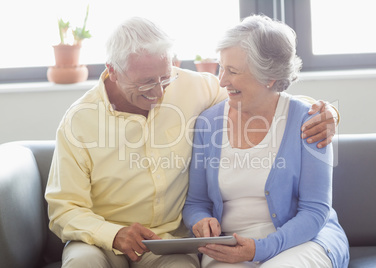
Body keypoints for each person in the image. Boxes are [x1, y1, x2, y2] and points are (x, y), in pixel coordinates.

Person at [45, 16, 339, 268]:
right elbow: (63, 209)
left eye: (165, 77)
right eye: (146, 83)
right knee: (82, 263)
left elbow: (265, 97)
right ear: (112, 69)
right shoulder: (79, 121)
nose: (158, 93)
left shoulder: (193, 87)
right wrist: (112, 234)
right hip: (100, 240)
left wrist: (324, 113)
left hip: (167, 243)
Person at [182, 15, 349, 268]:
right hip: (229, 247)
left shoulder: (311, 122)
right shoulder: (208, 123)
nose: (222, 80)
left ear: (269, 77)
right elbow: (197, 203)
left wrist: (259, 249)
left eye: (232, 71)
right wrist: (200, 220)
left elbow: (314, 212)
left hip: (303, 242)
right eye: (221, 67)